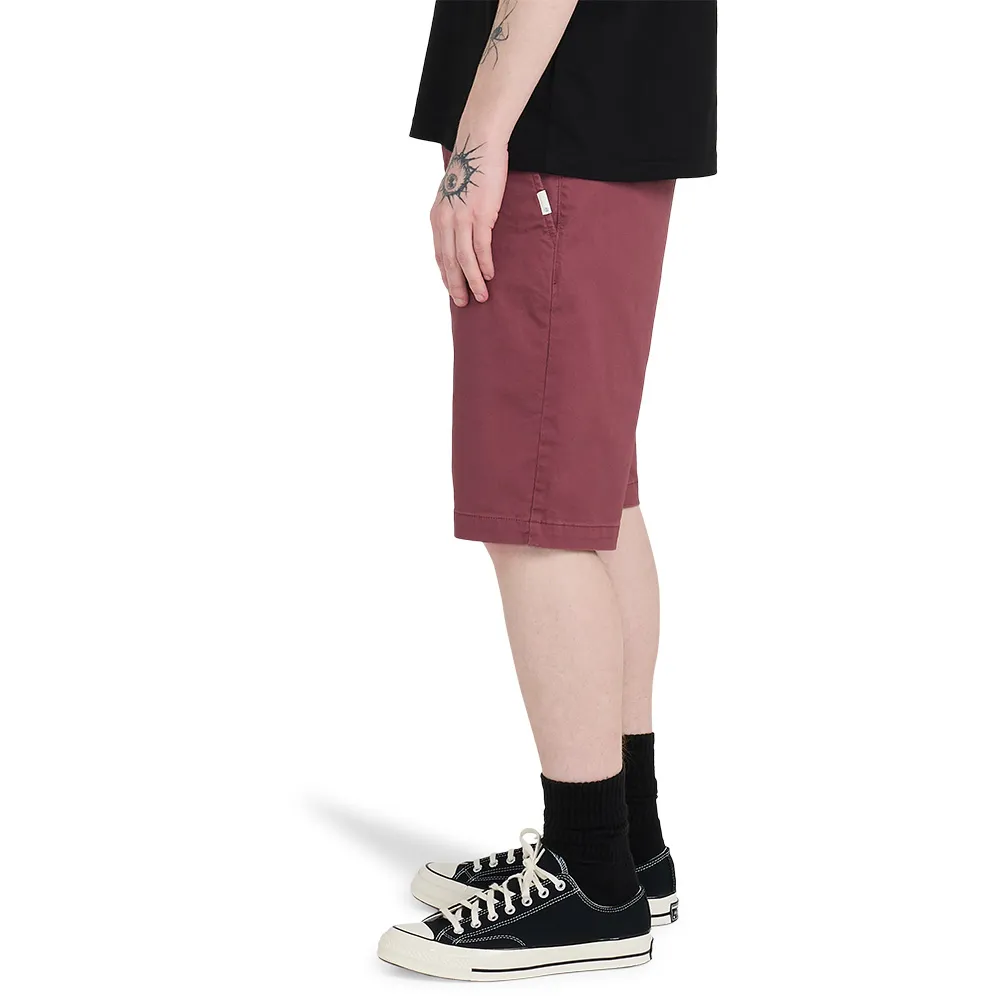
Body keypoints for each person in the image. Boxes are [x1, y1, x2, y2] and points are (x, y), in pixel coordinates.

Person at [377, 0, 717, 981]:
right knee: (594, 499)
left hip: (550, 126)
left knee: (536, 512)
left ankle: (590, 876)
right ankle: (627, 842)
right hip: (602, 118)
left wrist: (480, 137)